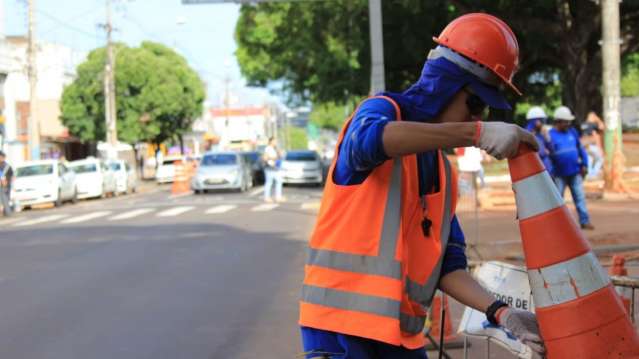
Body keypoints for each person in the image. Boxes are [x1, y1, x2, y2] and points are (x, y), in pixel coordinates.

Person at [299, 13, 545, 359]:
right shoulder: (381, 112)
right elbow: (368, 143)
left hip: (399, 338)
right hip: (339, 332)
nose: (477, 118)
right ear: (445, 84)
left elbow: (449, 267)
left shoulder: (443, 173)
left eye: (483, 112)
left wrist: (503, 313)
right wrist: (476, 135)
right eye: (474, 104)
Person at [548, 106, 595, 230]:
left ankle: (584, 221)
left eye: (569, 121)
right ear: (558, 121)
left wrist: (584, 164)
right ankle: (557, 224)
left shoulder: (572, 132)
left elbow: (581, 149)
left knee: (580, 198)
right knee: (558, 200)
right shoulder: (550, 135)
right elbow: (547, 156)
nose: (568, 124)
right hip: (559, 174)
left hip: (575, 172)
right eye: (566, 121)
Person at [525, 106, 554, 173]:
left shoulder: (542, 132)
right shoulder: (526, 134)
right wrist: (544, 151)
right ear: (536, 121)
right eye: (542, 120)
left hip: (546, 168)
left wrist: (547, 137)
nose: (543, 123)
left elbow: (552, 149)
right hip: (534, 169)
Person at [581, 111, 605, 179]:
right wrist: (598, 119)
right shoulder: (593, 125)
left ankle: (590, 174)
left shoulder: (583, 124)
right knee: (600, 159)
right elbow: (602, 127)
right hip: (592, 145)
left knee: (590, 158)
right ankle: (593, 174)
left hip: (584, 145)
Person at [263, 137, 284, 202]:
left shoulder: (275, 148)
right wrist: (274, 158)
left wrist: (279, 153)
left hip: (276, 168)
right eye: (274, 141)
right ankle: (266, 197)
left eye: (276, 141)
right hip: (270, 168)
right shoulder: (267, 149)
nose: (275, 142)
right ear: (270, 141)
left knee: (279, 182)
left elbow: (280, 156)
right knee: (269, 183)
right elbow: (265, 158)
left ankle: (278, 197)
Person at [0, 151, 13, 217]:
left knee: (6, 198)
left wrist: (9, 181)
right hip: (3, 184)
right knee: (4, 198)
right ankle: (7, 212)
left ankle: (7, 212)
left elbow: (11, 174)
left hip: (6, 184)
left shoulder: (6, 166)